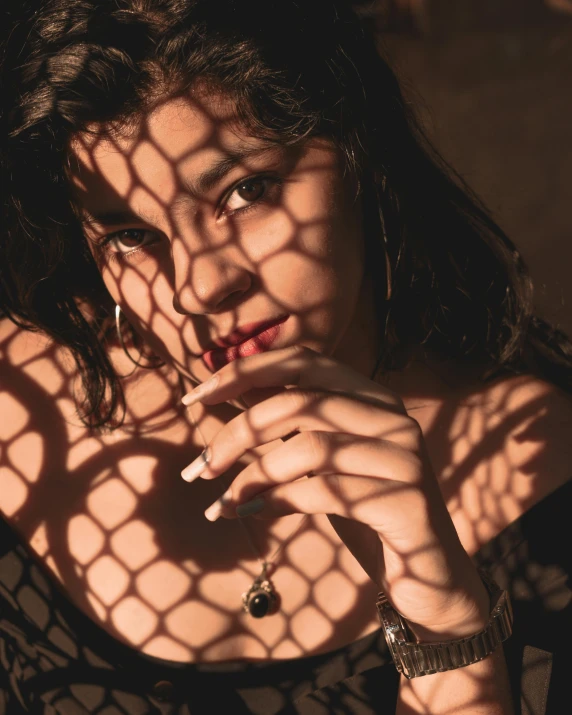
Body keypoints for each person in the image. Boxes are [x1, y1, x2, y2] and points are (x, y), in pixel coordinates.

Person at [1, 1, 570, 713]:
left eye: (246, 191)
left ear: (357, 152)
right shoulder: (15, 406)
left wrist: (450, 631)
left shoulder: (545, 471)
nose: (199, 286)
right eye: (129, 235)